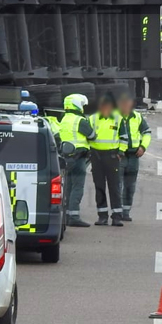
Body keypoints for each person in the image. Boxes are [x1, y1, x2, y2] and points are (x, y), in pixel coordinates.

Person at [56, 94, 93, 228]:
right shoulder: (80, 120)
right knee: (78, 187)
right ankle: (74, 216)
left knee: (68, 187)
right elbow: (92, 135)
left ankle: (66, 215)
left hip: (67, 158)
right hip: (79, 158)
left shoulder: (65, 118)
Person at [88, 94, 125, 227]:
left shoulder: (118, 119)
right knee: (99, 187)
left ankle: (117, 216)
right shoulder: (92, 119)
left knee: (114, 187)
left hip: (112, 156)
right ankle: (102, 216)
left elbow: (124, 137)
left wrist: (121, 152)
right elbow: (87, 136)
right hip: (96, 157)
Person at [117, 92, 151, 221]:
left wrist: (143, 147)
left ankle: (126, 212)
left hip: (133, 157)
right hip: (120, 157)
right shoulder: (115, 117)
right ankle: (117, 212)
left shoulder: (137, 117)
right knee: (118, 186)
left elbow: (147, 133)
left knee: (130, 186)